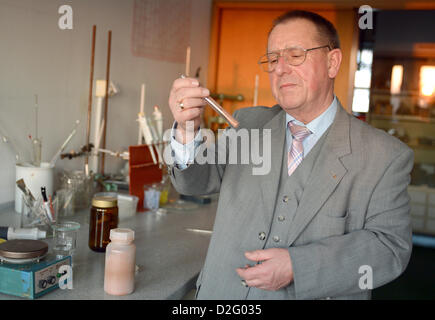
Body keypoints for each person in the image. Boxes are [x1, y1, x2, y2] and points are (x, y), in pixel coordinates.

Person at [166, 10, 414, 299]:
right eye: (272, 59)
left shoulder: (385, 156)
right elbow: (194, 184)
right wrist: (186, 131)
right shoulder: (247, 124)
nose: (280, 68)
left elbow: (389, 248)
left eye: (295, 55)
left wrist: (299, 265)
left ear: (332, 62)